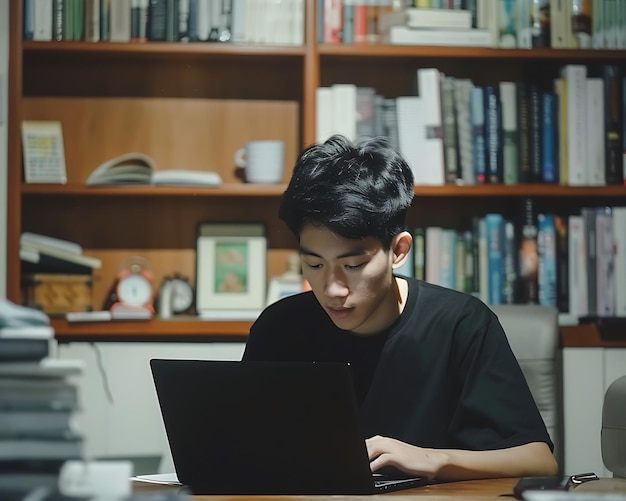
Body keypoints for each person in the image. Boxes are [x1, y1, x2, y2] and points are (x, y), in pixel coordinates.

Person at [242, 135, 558, 481]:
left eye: (353, 266)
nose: (332, 289)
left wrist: (432, 460)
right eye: (315, 265)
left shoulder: (461, 324)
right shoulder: (279, 327)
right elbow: (239, 447)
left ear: (398, 251)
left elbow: (539, 461)